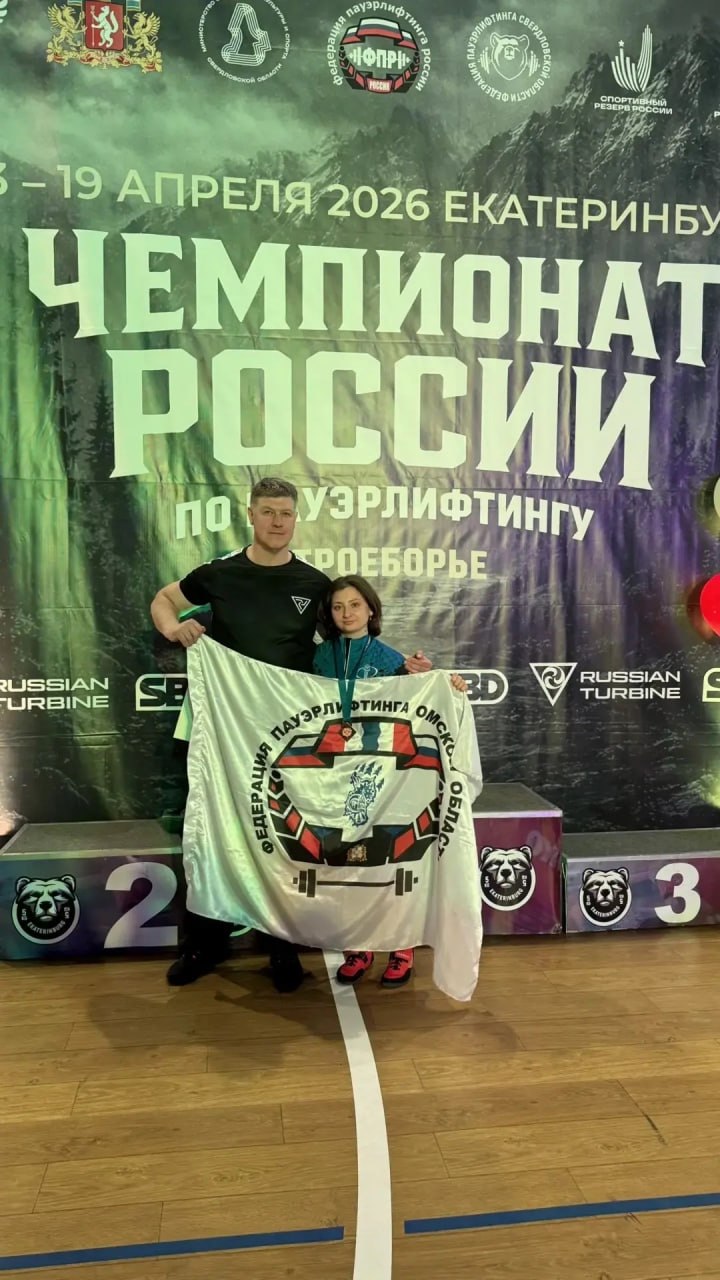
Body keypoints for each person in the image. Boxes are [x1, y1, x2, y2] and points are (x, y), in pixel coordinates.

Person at [150, 478, 432, 992]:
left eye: (285, 513)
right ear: (251, 515)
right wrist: (174, 628)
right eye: (268, 512)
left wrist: (411, 677)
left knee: (279, 836)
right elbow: (165, 600)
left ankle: (282, 948)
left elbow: (349, 652)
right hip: (224, 730)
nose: (277, 521)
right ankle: (202, 946)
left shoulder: (313, 583)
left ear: (295, 518)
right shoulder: (219, 573)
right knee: (211, 830)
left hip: (284, 735)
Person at [313, 574, 466, 990]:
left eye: (354, 605)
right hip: (335, 774)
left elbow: (423, 702)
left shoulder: (392, 659)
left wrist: (446, 685)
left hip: (386, 777)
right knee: (348, 863)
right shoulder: (318, 658)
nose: (346, 614)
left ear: (371, 610)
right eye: (338, 607)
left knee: (391, 860)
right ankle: (358, 946)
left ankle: (401, 947)